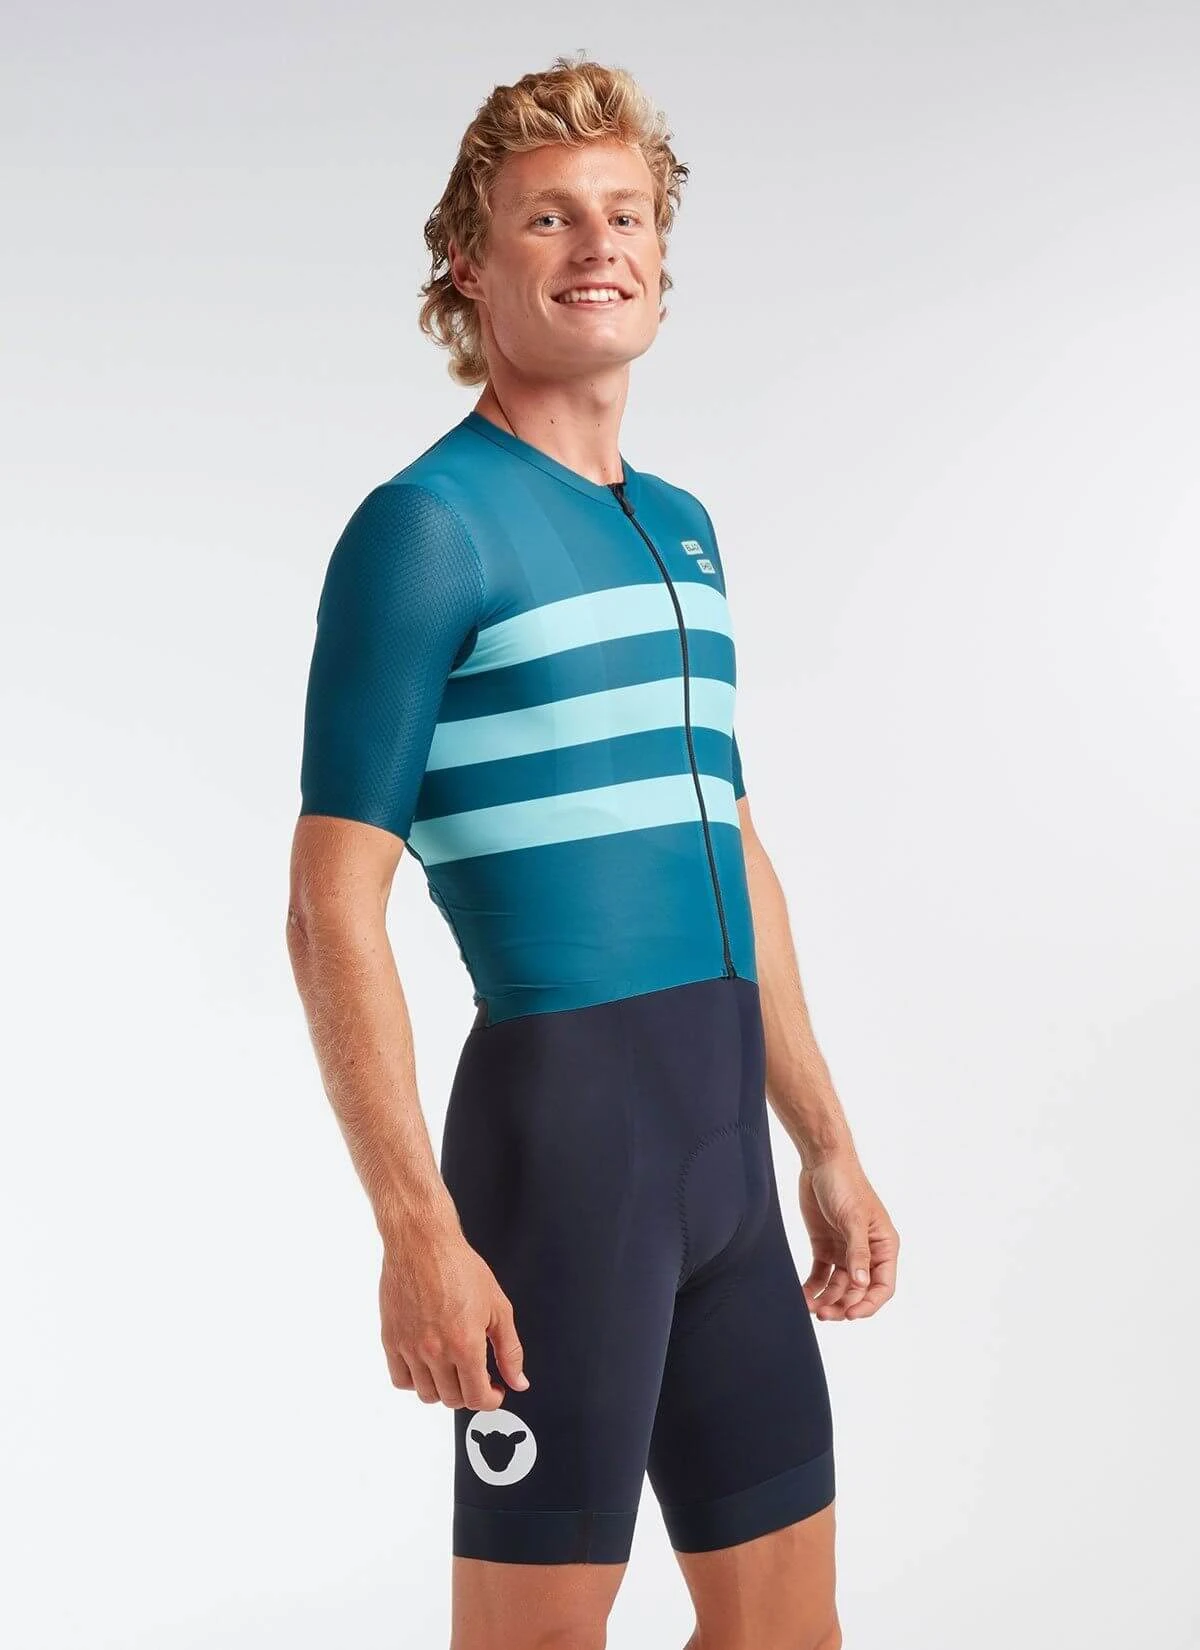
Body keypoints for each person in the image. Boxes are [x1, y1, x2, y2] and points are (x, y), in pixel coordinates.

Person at [287, 52, 898, 1650]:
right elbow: (331, 902)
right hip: (565, 1169)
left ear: (663, 257)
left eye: (625, 212)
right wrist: (416, 1228)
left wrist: (823, 1140)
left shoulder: (682, 524)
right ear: (467, 264)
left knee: (790, 1634)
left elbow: (731, 841)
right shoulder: (428, 529)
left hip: (724, 1163)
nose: (597, 243)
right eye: (548, 216)